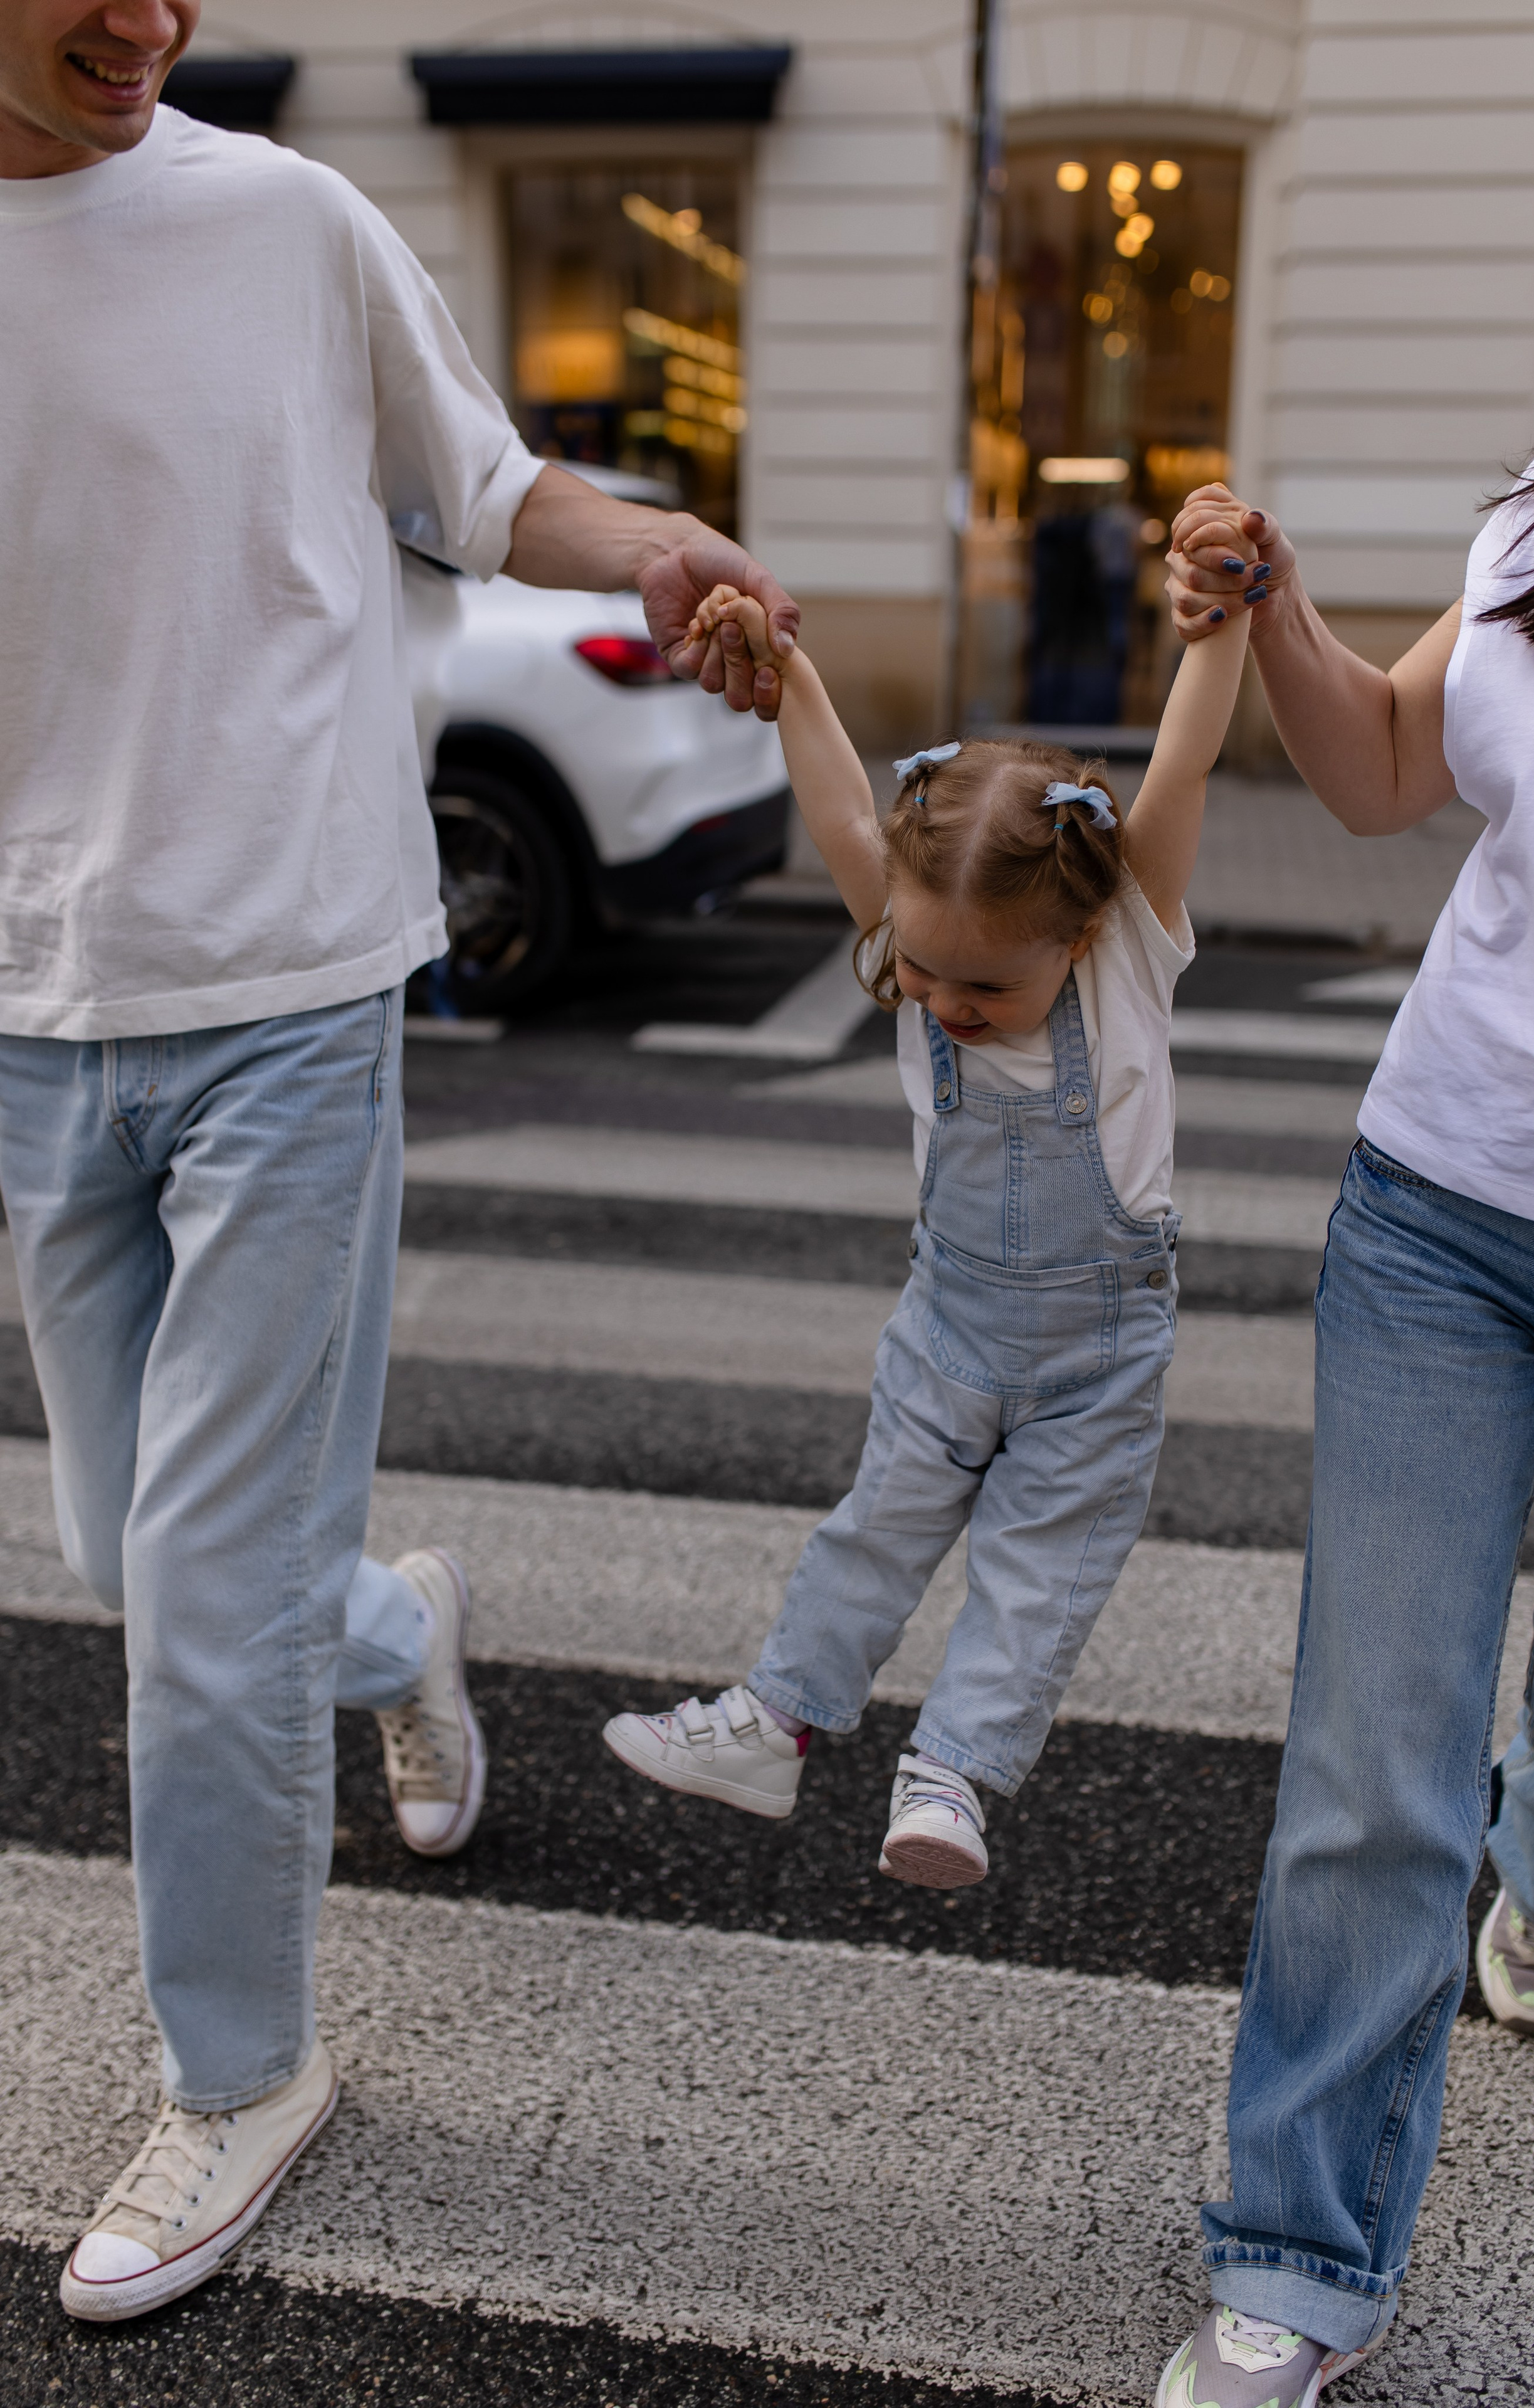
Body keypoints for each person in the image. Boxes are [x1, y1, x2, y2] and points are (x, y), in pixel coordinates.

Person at [1, 1, 796, 2326]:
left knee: (204, 1606)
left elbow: (482, 481)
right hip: (38, 1013)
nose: (145, 19)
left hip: (291, 986)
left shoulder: (287, 215)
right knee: (143, 1564)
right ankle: (405, 1622)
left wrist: (646, 539)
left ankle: (238, 2074)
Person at [1151, 438, 1534, 2407]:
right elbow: (1381, 772)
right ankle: (1302, 2253)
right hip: (1449, 1212)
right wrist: (1278, 614)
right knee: (1375, 1766)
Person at [600, 578, 1251, 1883]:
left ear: (1075, 940)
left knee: (1036, 1574)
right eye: (920, 971)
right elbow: (844, 804)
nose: (939, 1001)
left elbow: (1179, 761)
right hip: (946, 1328)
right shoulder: (920, 942)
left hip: (1094, 1360)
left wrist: (1222, 620)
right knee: (873, 1531)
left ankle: (949, 1777)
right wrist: (784, 670)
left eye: (984, 984)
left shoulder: (1128, 951)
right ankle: (772, 1723)